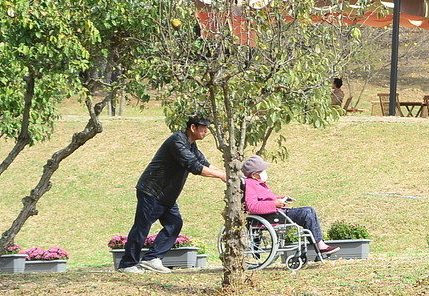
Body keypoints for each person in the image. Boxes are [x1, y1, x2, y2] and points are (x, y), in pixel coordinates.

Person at [118, 115, 227, 275]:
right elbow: (195, 166)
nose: (205, 132)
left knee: (174, 224)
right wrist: (221, 176)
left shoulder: (191, 145)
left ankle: (152, 259)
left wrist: (227, 173)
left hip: (167, 195)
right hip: (151, 190)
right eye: (203, 128)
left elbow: (204, 163)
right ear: (193, 128)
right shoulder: (178, 141)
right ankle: (127, 264)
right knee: (142, 226)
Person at [241, 156, 334, 257]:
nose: (265, 172)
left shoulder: (257, 183)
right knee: (307, 212)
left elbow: (265, 198)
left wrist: (282, 199)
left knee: (309, 211)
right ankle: (320, 245)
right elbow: (252, 206)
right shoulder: (251, 184)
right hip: (271, 216)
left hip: (275, 213)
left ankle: (320, 245)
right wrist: (274, 204)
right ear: (255, 175)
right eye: (263, 171)